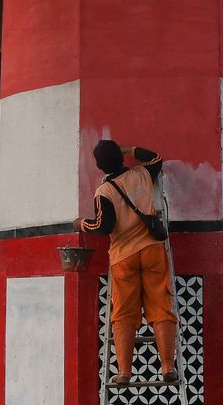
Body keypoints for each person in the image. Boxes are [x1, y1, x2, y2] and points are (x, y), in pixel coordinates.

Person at [74, 140, 177, 385]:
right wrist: (130, 150)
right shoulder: (142, 174)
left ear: (99, 166)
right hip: (153, 250)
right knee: (162, 306)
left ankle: (124, 373)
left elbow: (102, 227)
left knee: (123, 314)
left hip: (124, 257)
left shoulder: (104, 192)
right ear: (120, 159)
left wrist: (80, 224)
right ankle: (167, 368)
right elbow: (156, 157)